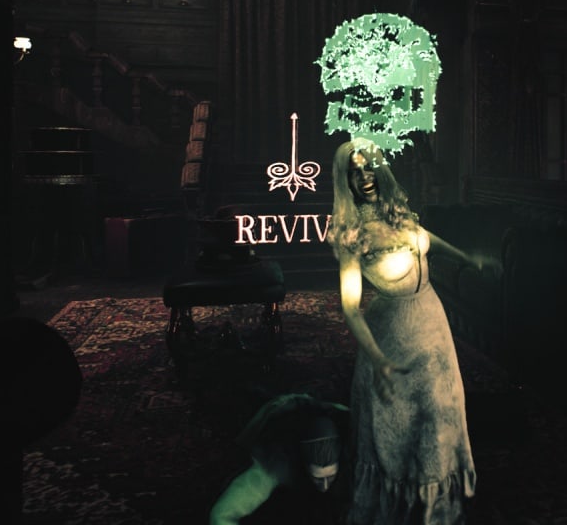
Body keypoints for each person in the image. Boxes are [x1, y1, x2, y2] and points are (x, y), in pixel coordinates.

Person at [326, 137, 487, 524]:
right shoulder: (352, 233)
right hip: (392, 335)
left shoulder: (399, 213)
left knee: (439, 411)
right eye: (354, 171)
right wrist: (378, 359)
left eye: (369, 167)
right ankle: (400, 505)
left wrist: (466, 257)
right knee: (397, 425)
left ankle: (438, 506)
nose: (365, 176)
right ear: (345, 181)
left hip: (433, 325)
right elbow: (349, 306)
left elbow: (427, 240)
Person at [209, 392, 351, 525]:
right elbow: (220, 515)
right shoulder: (273, 466)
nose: (324, 487)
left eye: (330, 477)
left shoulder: (351, 440)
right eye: (318, 479)